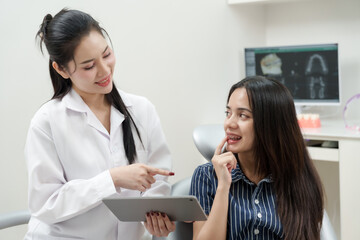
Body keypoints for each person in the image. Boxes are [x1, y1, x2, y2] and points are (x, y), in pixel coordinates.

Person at [25, 8, 175, 239]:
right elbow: (45, 204)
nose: (105, 71)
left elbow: (159, 182)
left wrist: (156, 216)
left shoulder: (142, 110)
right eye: (88, 66)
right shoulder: (47, 122)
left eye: (106, 55)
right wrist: (111, 180)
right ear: (61, 69)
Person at [190, 76, 324, 240]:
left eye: (243, 115)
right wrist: (223, 186)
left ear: (271, 124)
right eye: (228, 113)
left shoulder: (299, 177)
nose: (229, 124)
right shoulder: (206, 176)